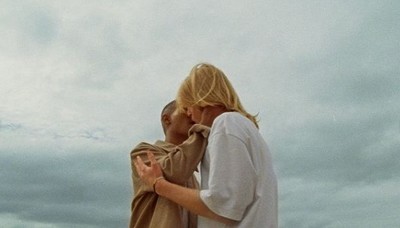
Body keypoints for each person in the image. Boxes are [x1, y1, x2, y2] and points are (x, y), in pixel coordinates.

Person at [134, 63, 278, 228]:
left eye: (187, 106)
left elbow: (223, 206)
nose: (188, 113)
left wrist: (159, 185)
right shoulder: (244, 128)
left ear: (200, 99)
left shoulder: (226, 124)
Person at [129, 100, 211, 228]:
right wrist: (204, 127)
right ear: (167, 119)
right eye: (185, 109)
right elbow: (175, 172)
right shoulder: (143, 152)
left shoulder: (193, 177)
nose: (192, 114)